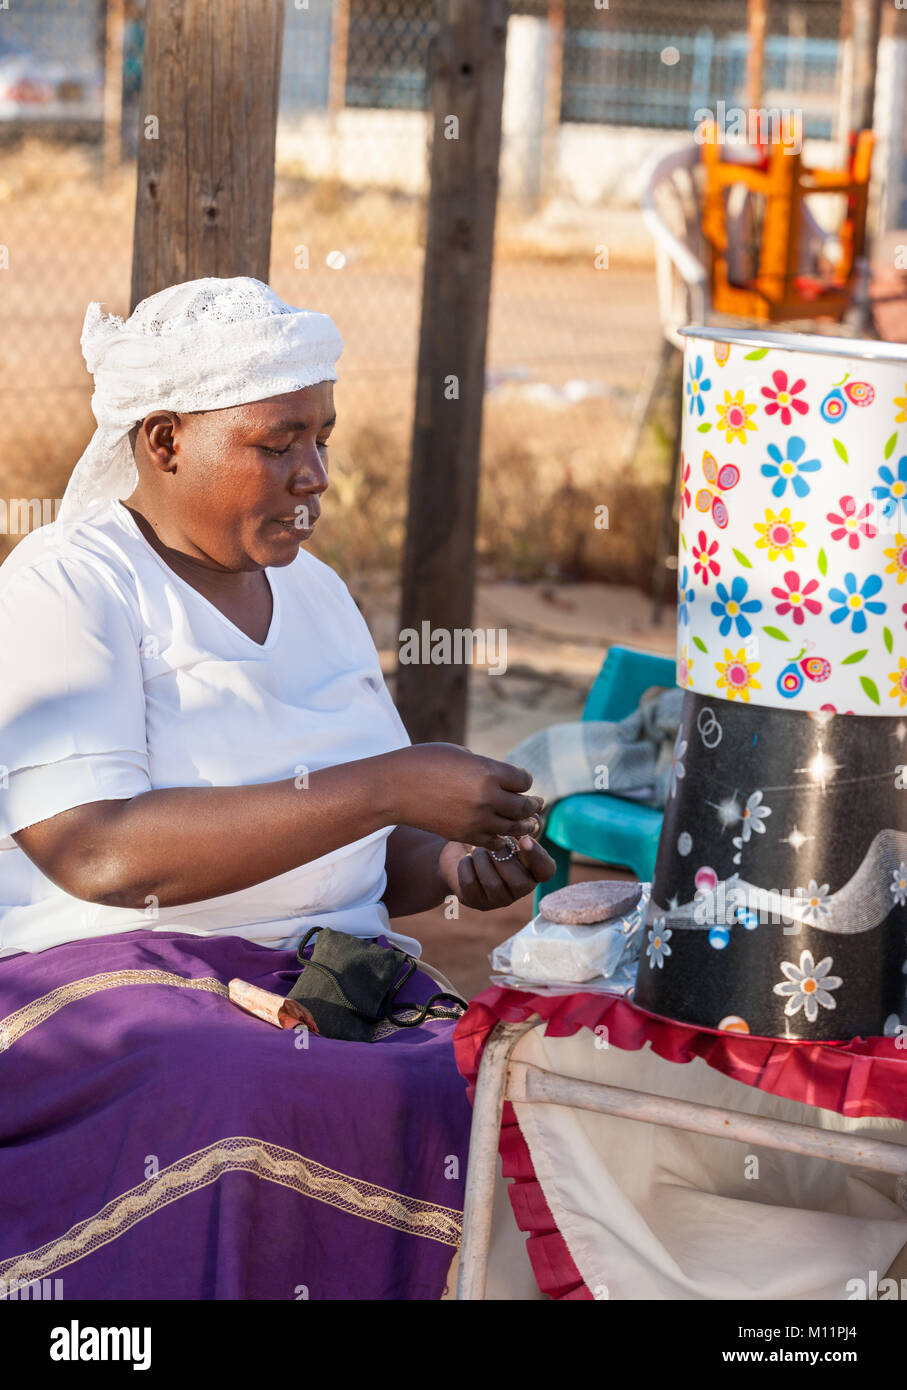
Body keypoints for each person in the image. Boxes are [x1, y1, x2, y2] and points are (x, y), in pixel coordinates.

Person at [0, 276, 553, 1301]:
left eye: (324, 437)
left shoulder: (320, 595)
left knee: (484, 1084)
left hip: (330, 974)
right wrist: (387, 781)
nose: (317, 473)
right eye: (279, 441)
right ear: (163, 441)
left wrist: (446, 863)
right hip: (106, 982)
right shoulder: (69, 583)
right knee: (245, 1092)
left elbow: (362, 845)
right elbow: (92, 849)